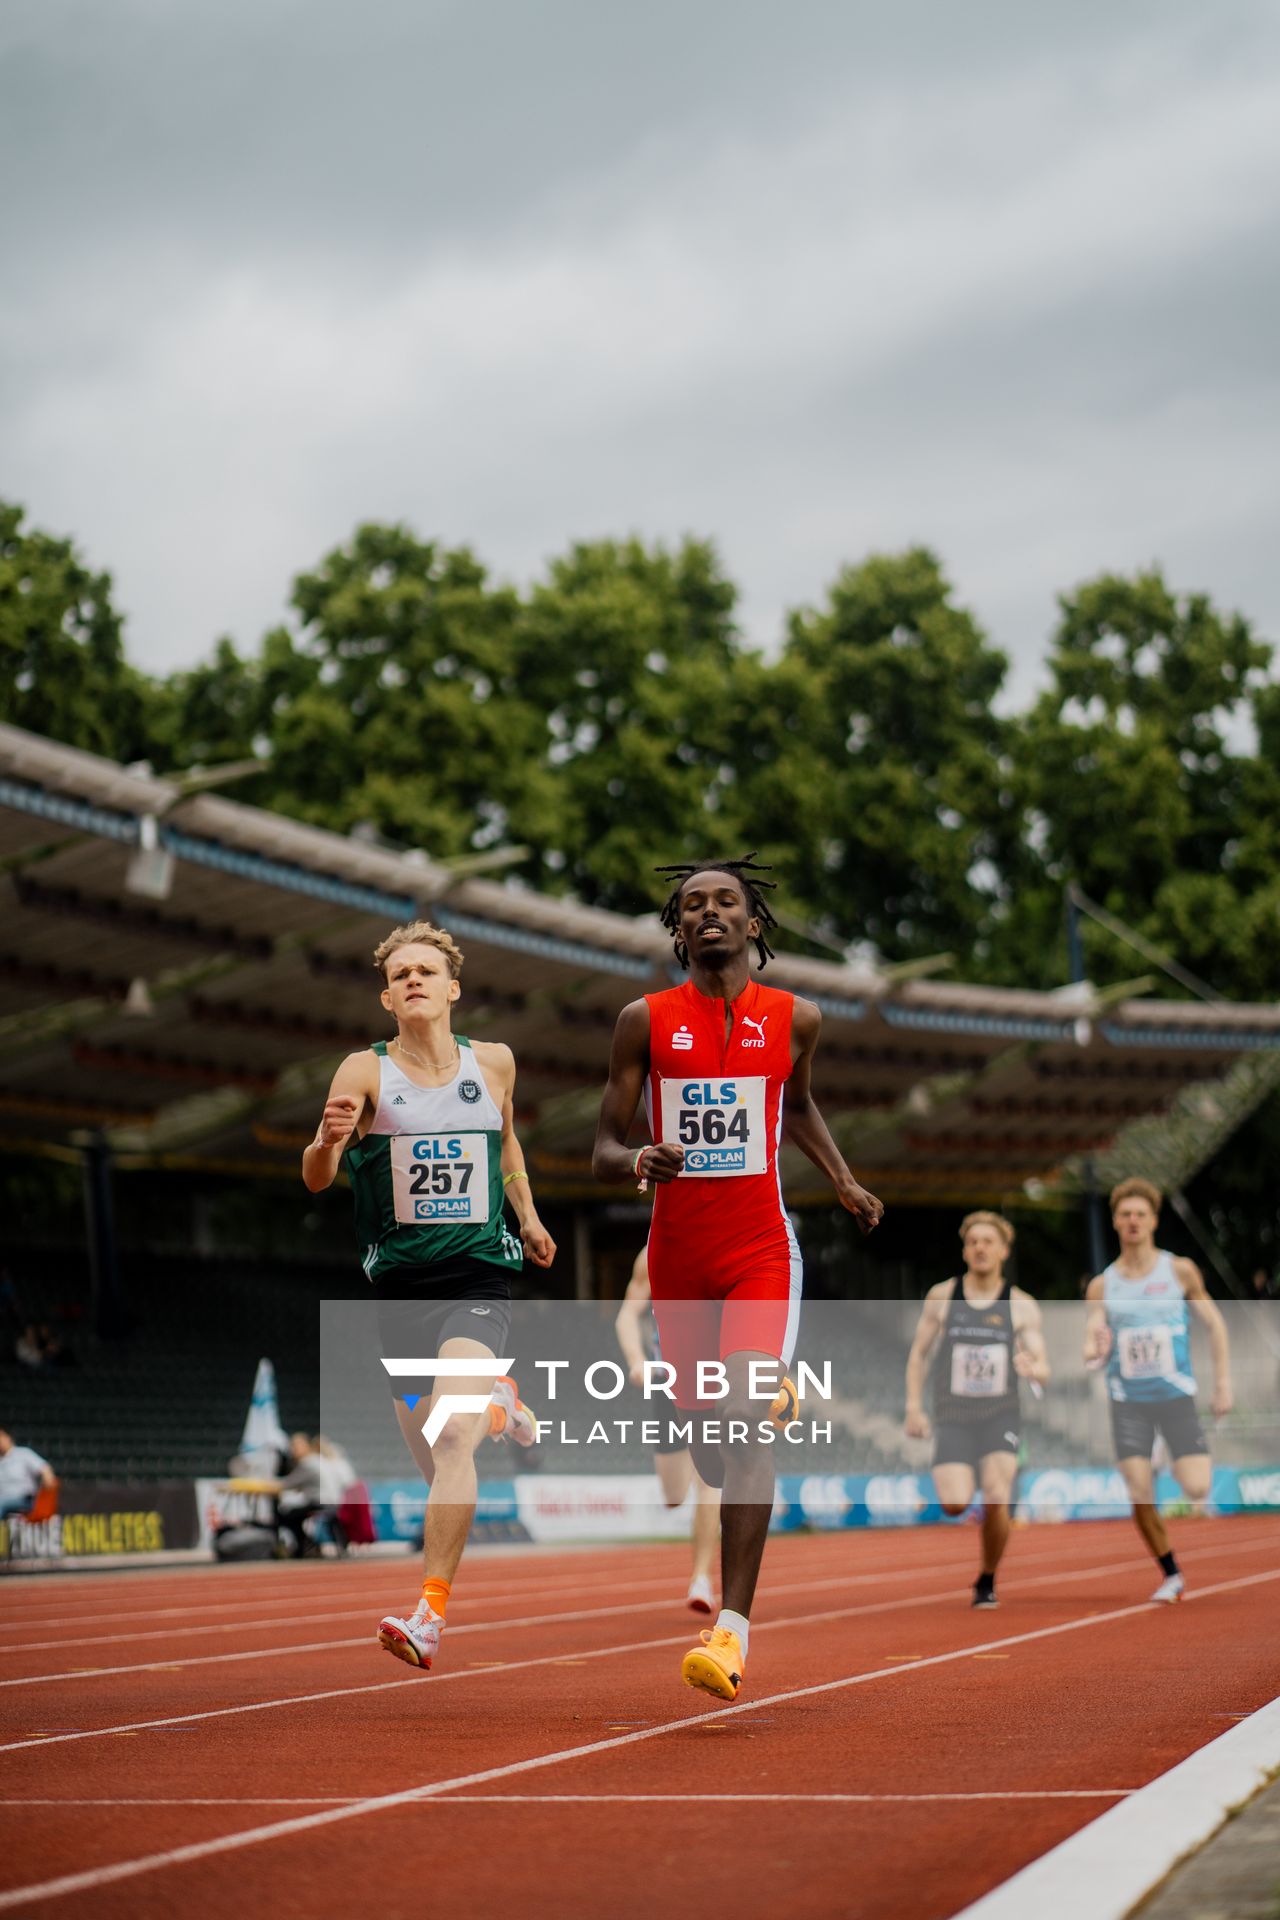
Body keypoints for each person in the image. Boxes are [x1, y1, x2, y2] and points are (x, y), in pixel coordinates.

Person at [593, 854, 883, 1701]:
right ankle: (750, 1404)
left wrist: (843, 1180)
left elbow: (798, 1104)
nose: (709, 912)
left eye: (727, 901)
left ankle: (732, 1631)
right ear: (678, 929)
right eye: (693, 904)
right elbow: (603, 1145)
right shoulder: (644, 1021)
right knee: (713, 1456)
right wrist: (637, 1157)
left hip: (760, 1251)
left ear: (754, 924)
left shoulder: (797, 1018)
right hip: (679, 1261)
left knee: (744, 1416)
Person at [303, 919, 556, 1670]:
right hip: (400, 1290)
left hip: (477, 1276)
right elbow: (316, 1178)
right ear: (387, 998)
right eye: (400, 974)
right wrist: (325, 1141)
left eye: (426, 971)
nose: (413, 979)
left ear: (453, 989)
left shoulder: (495, 1062)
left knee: (450, 1441)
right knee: (438, 1460)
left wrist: (528, 1215)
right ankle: (500, 1407)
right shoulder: (365, 1071)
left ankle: (429, 1615)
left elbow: (505, 1142)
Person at [1084, 1177, 1233, 1603]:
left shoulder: (1179, 1270)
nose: (1133, 1221)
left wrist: (1222, 1384)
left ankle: (1166, 1450)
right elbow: (1090, 1344)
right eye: (1125, 1214)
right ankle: (1170, 1572)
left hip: (1175, 1397)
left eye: (1140, 1214)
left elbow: (1215, 1325)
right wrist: (1095, 1350)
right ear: (1115, 1222)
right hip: (1128, 1401)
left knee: (1197, 1487)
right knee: (1139, 1492)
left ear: (1153, 1221)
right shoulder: (1102, 1286)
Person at [903, 1213, 1050, 1607]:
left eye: (988, 1241)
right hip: (953, 1413)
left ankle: (987, 1578)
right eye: (973, 1242)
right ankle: (981, 1543)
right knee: (954, 1502)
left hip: (1000, 1412)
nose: (980, 1248)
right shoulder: (943, 1296)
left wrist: (1032, 1367)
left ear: (1004, 1250)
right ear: (965, 1250)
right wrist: (913, 1407)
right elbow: (918, 1355)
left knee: (997, 1495)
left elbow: (1043, 1367)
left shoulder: (1021, 1305)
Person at [615, 1247, 721, 1612]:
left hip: (715, 1377)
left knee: (710, 1480)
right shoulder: (652, 1254)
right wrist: (636, 1361)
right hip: (668, 1380)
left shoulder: (725, 1244)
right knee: (674, 1496)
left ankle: (701, 1579)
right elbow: (627, 1315)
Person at [0, 1427, 56, 1520]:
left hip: (24, 1500)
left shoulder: (23, 1453)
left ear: (8, 1437)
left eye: (1, 1436)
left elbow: (45, 1468)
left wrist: (48, 1479)